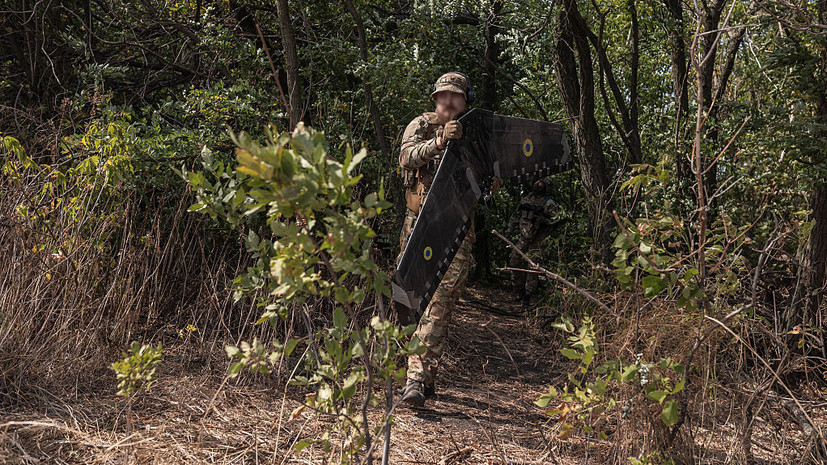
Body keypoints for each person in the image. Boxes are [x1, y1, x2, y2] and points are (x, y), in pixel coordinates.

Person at [397, 72, 476, 407]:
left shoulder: (475, 135)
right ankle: (421, 377)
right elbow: (406, 157)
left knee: (441, 303)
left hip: (456, 227)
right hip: (418, 225)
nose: (448, 102)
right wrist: (440, 142)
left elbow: (488, 183)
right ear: (434, 99)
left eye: (455, 97)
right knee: (414, 300)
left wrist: (466, 152)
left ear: (465, 102)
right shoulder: (421, 124)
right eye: (442, 95)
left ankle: (418, 378)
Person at [506, 179, 564, 305]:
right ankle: (519, 290)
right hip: (523, 237)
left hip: (538, 240)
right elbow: (515, 216)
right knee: (514, 262)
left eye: (541, 183)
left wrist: (543, 220)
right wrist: (509, 231)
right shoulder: (525, 199)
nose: (538, 184)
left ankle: (528, 295)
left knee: (533, 267)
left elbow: (557, 219)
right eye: (537, 182)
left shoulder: (549, 203)